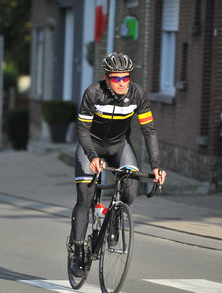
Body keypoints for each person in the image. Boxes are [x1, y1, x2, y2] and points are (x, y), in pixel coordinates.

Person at [70, 52, 166, 276]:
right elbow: (82, 129)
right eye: (116, 78)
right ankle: (77, 254)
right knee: (85, 198)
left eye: (126, 78)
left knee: (131, 193)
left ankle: (113, 220)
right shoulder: (93, 93)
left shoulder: (137, 94)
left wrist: (156, 165)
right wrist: (93, 156)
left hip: (119, 146)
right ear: (107, 78)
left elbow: (148, 130)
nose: (122, 83)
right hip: (90, 146)